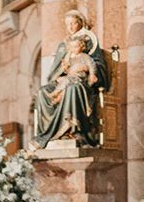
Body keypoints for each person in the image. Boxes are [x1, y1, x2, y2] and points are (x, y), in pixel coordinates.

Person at [30, 9, 109, 150]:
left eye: (73, 23)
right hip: (65, 81)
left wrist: (84, 68)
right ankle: (47, 136)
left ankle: (75, 131)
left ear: (80, 23)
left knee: (72, 88)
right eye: (68, 24)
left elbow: (97, 66)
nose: (71, 27)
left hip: (82, 83)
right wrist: (62, 73)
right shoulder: (63, 45)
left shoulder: (89, 41)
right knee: (43, 92)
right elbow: (56, 71)